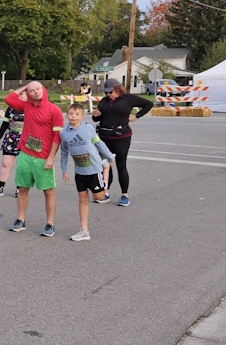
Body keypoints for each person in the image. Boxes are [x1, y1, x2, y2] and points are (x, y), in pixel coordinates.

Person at [5, 81, 64, 237]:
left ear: (43, 90)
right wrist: (26, 86)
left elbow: (57, 137)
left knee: (48, 191)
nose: (36, 92)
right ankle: (20, 220)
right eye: (32, 90)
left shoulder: (54, 110)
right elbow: (9, 99)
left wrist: (51, 157)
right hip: (25, 154)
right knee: (22, 189)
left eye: (38, 88)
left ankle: (50, 224)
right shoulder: (26, 107)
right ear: (28, 94)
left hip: (43, 157)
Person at [58, 102, 117, 242]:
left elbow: (99, 143)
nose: (73, 117)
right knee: (83, 199)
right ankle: (84, 231)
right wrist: (64, 169)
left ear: (82, 116)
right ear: (67, 115)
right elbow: (64, 152)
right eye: (71, 114)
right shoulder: (64, 133)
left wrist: (109, 156)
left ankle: (105, 174)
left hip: (94, 170)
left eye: (77, 114)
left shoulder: (88, 129)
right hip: (80, 172)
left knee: (99, 197)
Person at [93, 77, 154, 207]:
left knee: (121, 165)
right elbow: (97, 118)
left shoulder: (128, 98)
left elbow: (148, 104)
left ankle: (124, 195)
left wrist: (137, 116)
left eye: (111, 92)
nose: (108, 94)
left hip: (121, 137)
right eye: (107, 92)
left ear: (118, 89)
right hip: (104, 137)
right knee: (105, 166)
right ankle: (105, 192)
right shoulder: (104, 101)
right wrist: (95, 114)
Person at [0, 103, 24, 198]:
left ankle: (19, 188)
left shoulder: (30, 107)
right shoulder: (11, 108)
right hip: (11, 139)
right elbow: (5, 123)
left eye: (23, 94)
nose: (21, 96)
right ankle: (0, 187)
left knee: (22, 165)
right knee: (5, 164)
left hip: (25, 140)